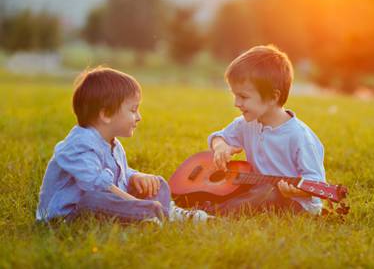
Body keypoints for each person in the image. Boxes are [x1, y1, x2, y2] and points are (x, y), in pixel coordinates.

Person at [36, 66, 210, 226]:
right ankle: (149, 215)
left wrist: (136, 177)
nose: (139, 117)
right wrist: (137, 203)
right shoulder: (78, 146)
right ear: (106, 114)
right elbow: (99, 186)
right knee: (93, 199)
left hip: (110, 199)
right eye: (133, 110)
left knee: (156, 183)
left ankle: (161, 214)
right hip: (70, 215)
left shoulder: (112, 143)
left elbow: (120, 174)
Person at [208, 45, 326, 216]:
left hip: (296, 204)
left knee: (268, 194)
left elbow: (317, 183)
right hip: (256, 191)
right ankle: (198, 202)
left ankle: (211, 213)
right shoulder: (246, 124)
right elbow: (219, 136)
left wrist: (296, 191)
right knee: (235, 188)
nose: (236, 103)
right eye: (235, 95)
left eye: (243, 97)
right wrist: (220, 146)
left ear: (273, 97)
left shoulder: (300, 136)